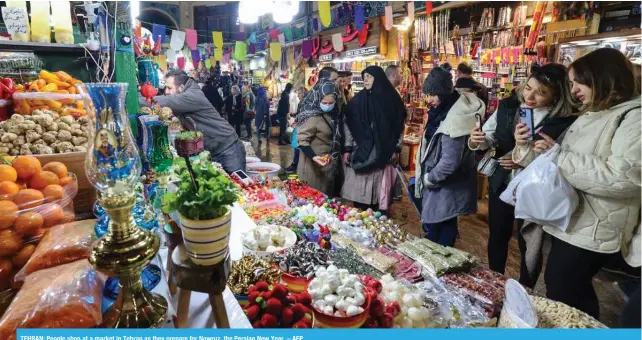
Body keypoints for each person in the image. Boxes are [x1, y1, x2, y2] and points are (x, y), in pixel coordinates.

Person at [517, 48, 640, 318]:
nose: (573, 91)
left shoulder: (633, 117)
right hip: (575, 217)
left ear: (600, 78)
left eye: (577, 82)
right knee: (564, 286)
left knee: (565, 287)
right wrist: (529, 145)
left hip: (597, 224)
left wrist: (560, 156)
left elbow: (625, 177)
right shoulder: (594, 112)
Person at [469, 63, 577, 289]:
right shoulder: (508, 107)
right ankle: (494, 281)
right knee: (498, 234)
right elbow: (489, 138)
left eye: (542, 93)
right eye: (528, 88)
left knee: (529, 241)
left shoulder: (565, 120)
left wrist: (525, 159)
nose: (531, 96)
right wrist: (478, 140)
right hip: (502, 181)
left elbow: (565, 159)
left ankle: (526, 287)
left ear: (557, 95)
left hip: (536, 189)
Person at [415, 66, 483, 247]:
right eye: (428, 95)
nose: (429, 100)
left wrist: (430, 178)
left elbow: (449, 161)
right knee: (442, 222)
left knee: (442, 227)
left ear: (444, 93)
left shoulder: (453, 118)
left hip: (446, 183)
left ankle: (439, 265)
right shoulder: (444, 112)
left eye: (433, 95)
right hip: (445, 183)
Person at [139, 70, 245, 173]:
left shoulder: (192, 96)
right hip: (216, 150)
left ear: (181, 87)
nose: (166, 91)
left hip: (229, 148)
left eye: (169, 88)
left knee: (237, 186)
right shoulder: (189, 93)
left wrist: (134, 99)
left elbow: (166, 101)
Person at [342, 66, 406, 214]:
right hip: (361, 151)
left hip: (383, 152)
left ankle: (376, 216)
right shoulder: (358, 101)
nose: (365, 80)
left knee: (378, 194)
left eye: (369, 77)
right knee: (360, 196)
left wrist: (395, 149)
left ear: (378, 78)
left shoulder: (391, 100)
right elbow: (349, 124)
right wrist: (347, 148)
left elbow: (398, 126)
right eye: (364, 76)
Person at [296, 80, 341, 196]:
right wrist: (314, 157)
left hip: (328, 164)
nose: (328, 105)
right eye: (324, 102)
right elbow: (302, 140)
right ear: (318, 98)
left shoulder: (335, 114)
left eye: (331, 103)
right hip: (313, 167)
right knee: (314, 200)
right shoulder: (312, 115)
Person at [286, 88, 307, 173]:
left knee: (297, 146)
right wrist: (293, 115)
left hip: (301, 127)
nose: (297, 95)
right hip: (302, 126)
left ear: (303, 93)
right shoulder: (306, 102)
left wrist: (295, 122)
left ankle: (295, 164)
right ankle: (298, 164)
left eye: (299, 94)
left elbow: (300, 115)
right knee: (298, 146)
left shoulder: (303, 102)